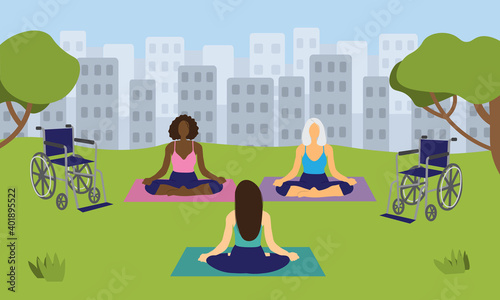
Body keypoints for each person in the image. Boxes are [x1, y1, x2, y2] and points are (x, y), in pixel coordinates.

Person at [198, 180, 299, 274]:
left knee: (214, 259)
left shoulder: (232, 215)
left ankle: (230, 257)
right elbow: (271, 245)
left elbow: (224, 245)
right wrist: (288, 254)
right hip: (258, 257)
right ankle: (265, 256)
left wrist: (207, 255)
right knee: (283, 259)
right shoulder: (264, 215)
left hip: (236, 257)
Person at [142, 114, 226, 196]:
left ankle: (180, 192)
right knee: (150, 186)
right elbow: (164, 170)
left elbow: (203, 170)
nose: (183, 129)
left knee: (217, 185)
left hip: (191, 180)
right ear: (176, 129)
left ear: (190, 129)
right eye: (181, 127)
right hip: (174, 180)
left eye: (186, 127)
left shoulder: (197, 146)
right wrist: (151, 179)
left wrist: (217, 179)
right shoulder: (171, 146)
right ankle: (189, 192)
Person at [273, 118, 356, 198]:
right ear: (307, 131)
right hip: (305, 181)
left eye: (316, 129)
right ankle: (319, 193)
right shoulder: (301, 148)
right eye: (311, 129)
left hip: (322, 181)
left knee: (348, 186)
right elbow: (294, 171)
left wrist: (347, 180)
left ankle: (315, 194)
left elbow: (333, 171)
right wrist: (282, 180)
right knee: (281, 188)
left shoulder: (327, 148)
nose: (314, 132)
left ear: (320, 131)